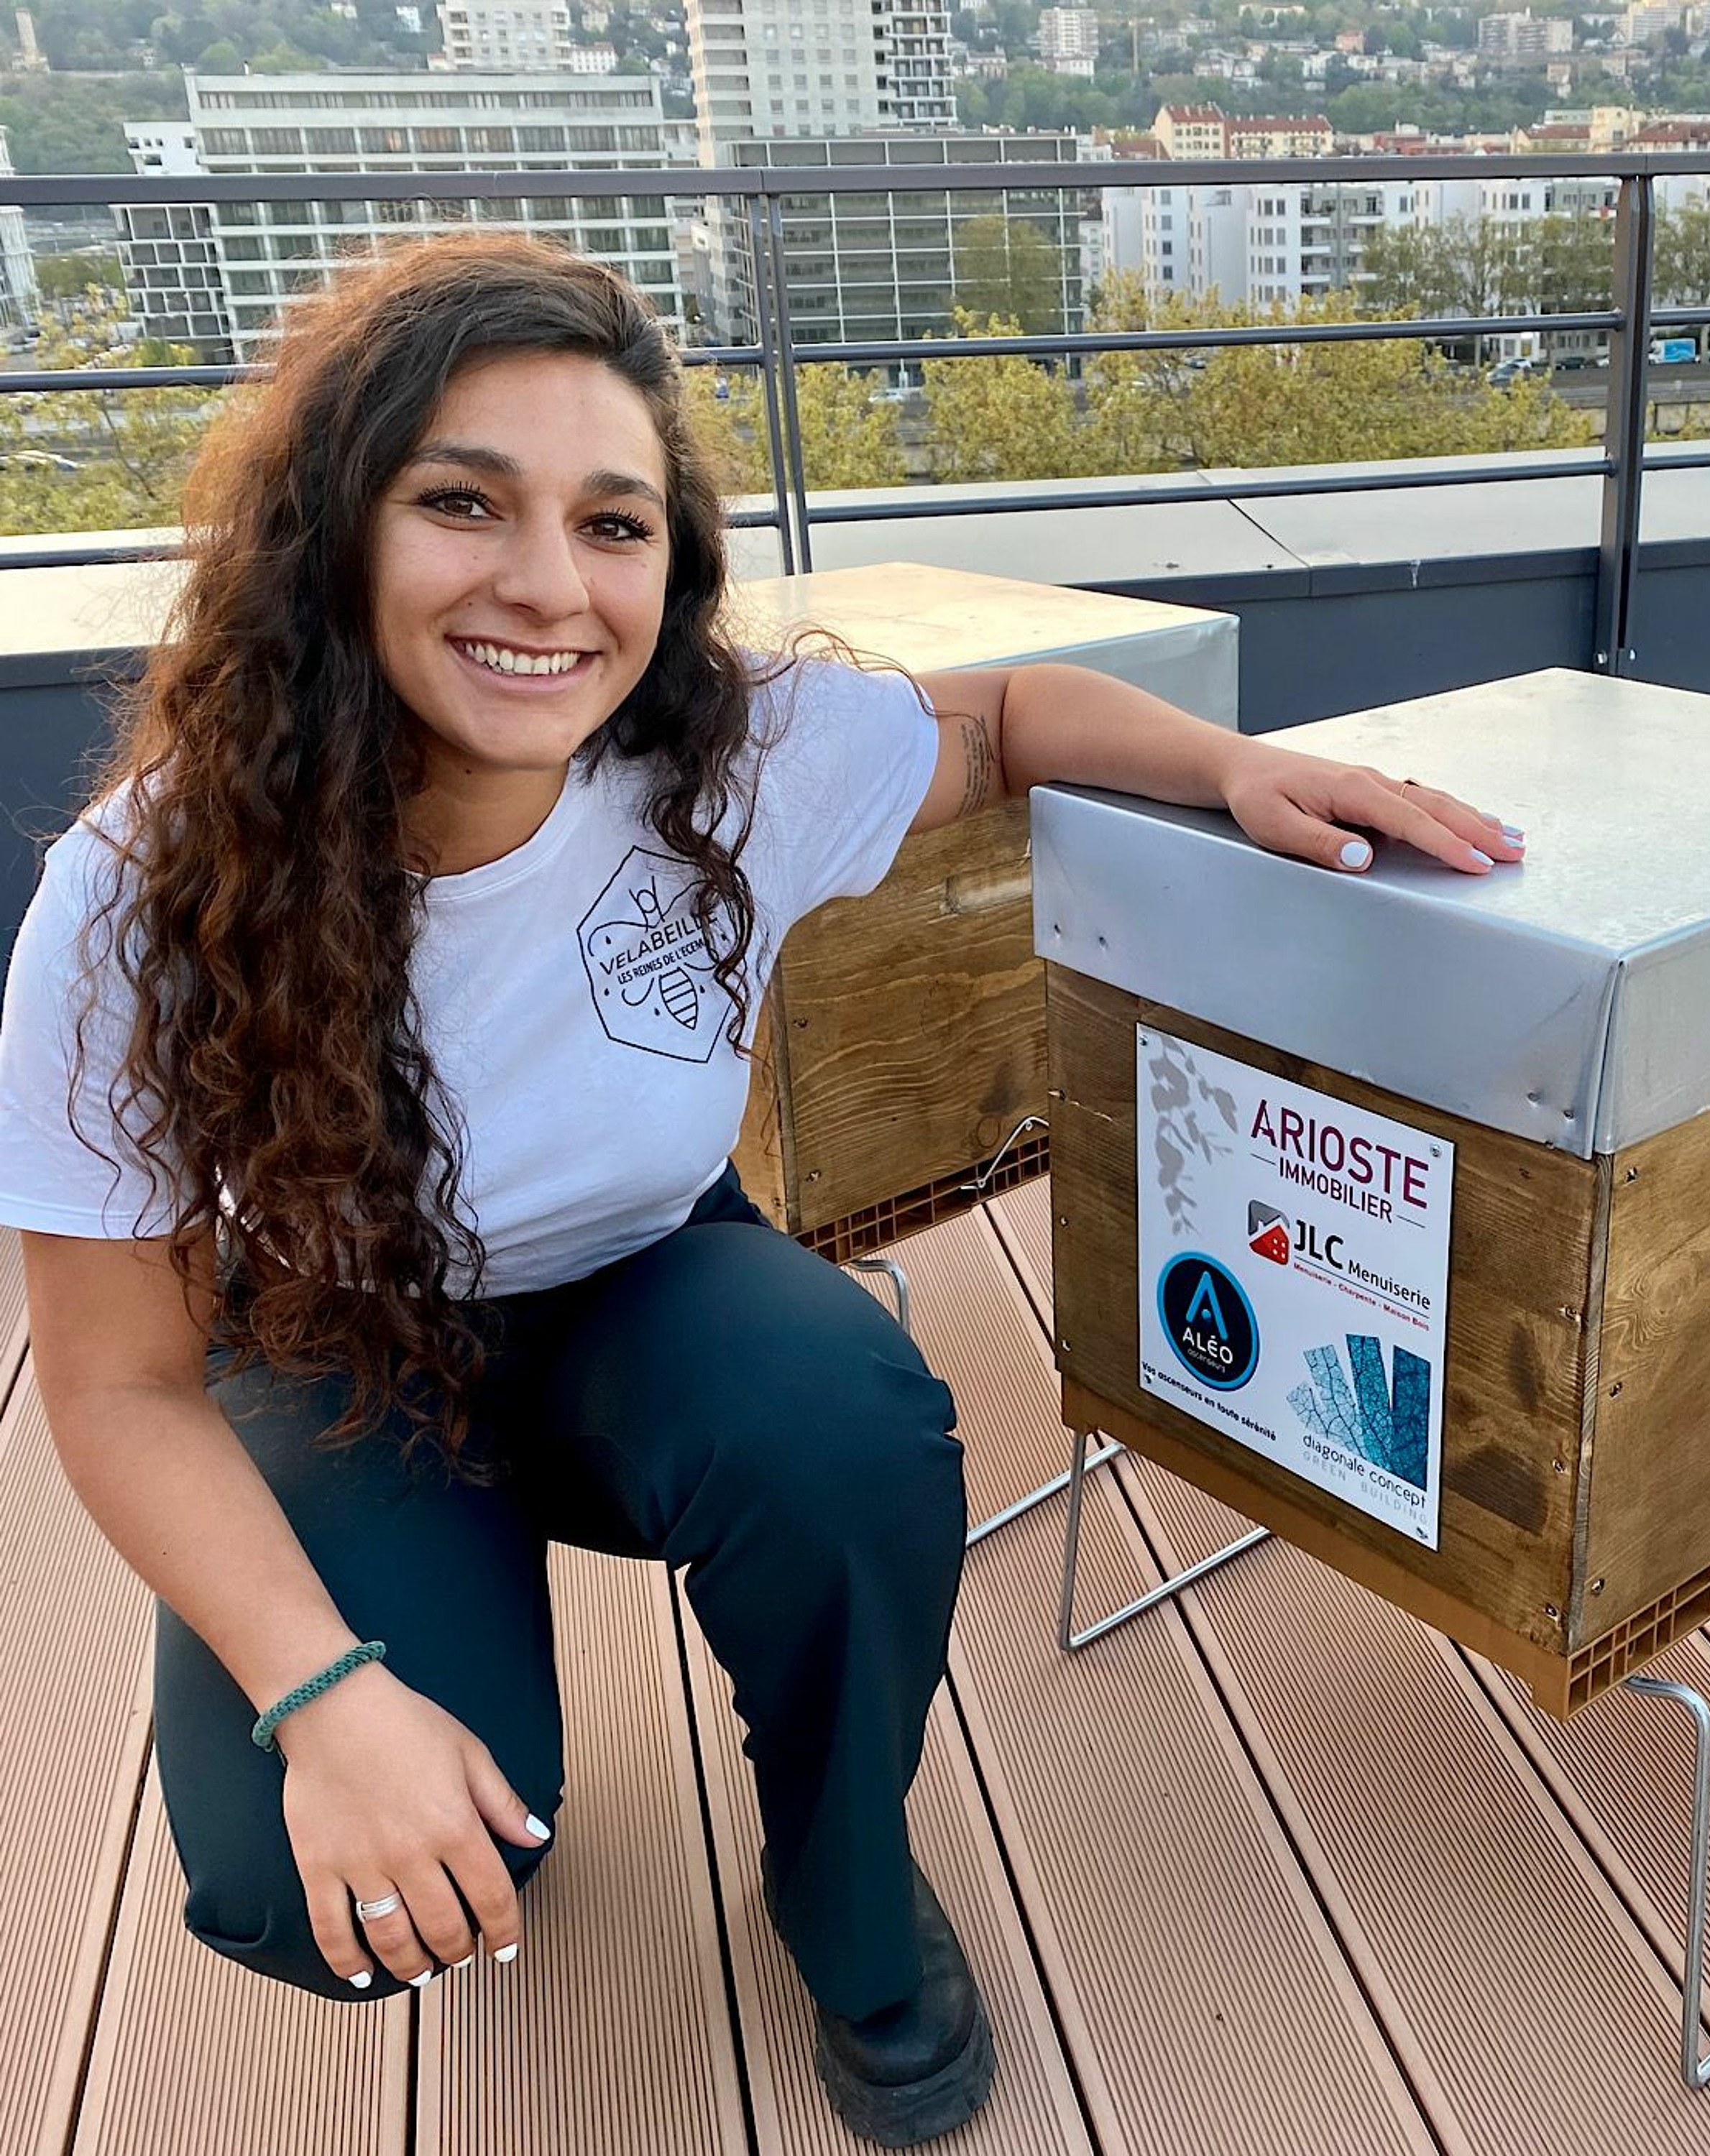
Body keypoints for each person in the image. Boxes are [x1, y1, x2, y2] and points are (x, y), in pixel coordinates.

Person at [0, 232, 1522, 2148]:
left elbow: (1008, 719)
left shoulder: (722, 761)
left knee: (840, 1413)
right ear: (332, 534)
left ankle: (844, 1890)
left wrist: (1239, 769)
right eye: (461, 503)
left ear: (670, 563)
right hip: (335, 1343)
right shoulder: (143, 892)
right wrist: (328, 1703)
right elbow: (120, 1381)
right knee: (320, 1897)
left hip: (642, 1292)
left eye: (613, 523)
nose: (548, 584)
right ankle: (439, 1696)